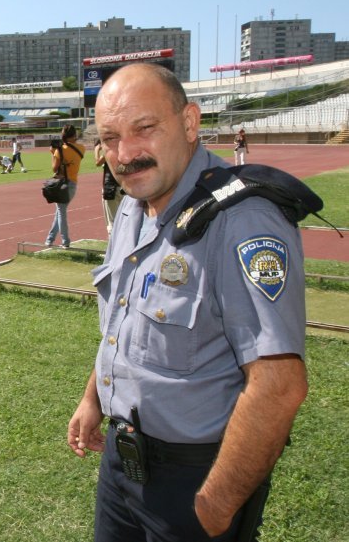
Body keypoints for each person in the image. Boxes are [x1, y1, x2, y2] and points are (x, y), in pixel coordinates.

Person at [67, 63, 308, 542]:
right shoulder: (136, 205)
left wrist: (214, 506)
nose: (125, 154)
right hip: (122, 462)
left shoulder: (243, 220)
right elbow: (124, 318)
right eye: (110, 137)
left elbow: (279, 385)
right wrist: (94, 397)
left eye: (145, 129)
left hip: (195, 477)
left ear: (190, 123)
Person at [44, 125, 84, 248]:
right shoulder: (81, 148)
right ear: (74, 135)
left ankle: (65, 242)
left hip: (62, 185)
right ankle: (49, 239)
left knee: (61, 213)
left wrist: (53, 153)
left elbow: (54, 168)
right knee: (59, 211)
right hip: (73, 184)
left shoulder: (59, 150)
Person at [94, 138, 124, 235]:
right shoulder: (123, 151)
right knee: (124, 219)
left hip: (111, 187)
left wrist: (96, 150)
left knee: (112, 221)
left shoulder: (109, 153)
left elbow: (98, 163)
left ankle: (113, 247)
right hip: (123, 188)